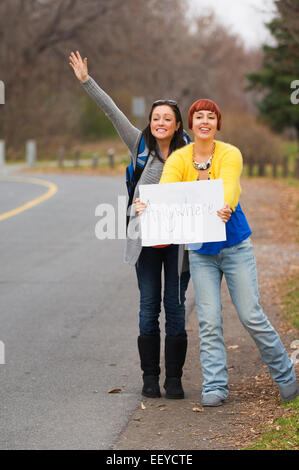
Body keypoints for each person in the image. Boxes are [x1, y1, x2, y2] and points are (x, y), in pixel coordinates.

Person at [69, 52, 231, 399]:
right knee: (147, 308)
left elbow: (206, 192)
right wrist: (86, 81)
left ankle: (173, 379)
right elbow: (111, 110)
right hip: (144, 242)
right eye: (156, 117)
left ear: (176, 125)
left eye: (167, 119)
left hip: (178, 245)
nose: (160, 123)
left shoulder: (190, 152)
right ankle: (149, 378)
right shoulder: (138, 144)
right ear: (151, 121)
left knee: (174, 307)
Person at [158, 98, 299, 406]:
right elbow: (167, 192)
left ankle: (287, 375)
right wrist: (150, 205)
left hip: (234, 246)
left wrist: (226, 206)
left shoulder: (229, 153)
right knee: (209, 321)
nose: (205, 121)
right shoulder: (180, 158)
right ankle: (215, 386)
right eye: (199, 116)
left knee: (251, 314)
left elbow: (230, 186)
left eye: (211, 116)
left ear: (217, 123)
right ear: (191, 124)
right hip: (201, 252)